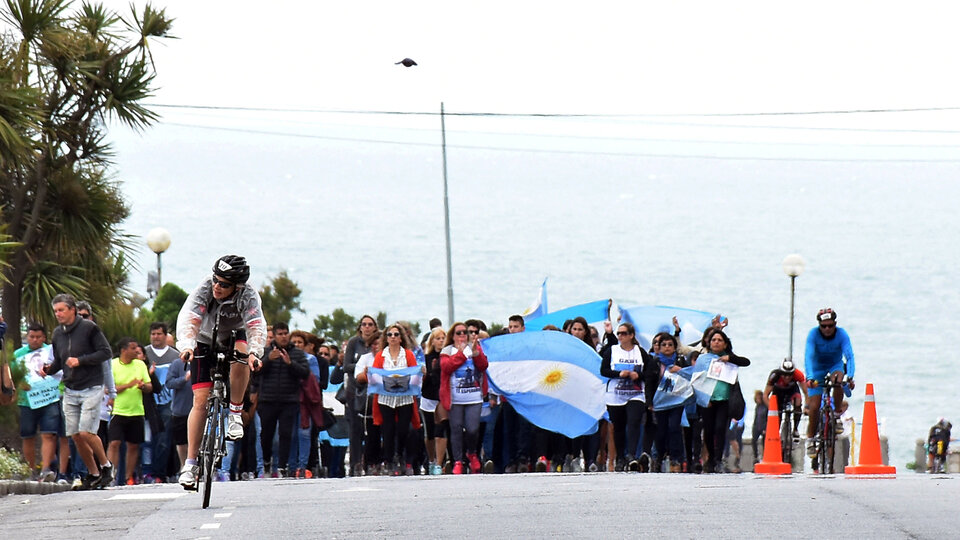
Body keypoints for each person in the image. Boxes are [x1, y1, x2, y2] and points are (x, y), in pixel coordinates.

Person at [175, 255, 266, 489]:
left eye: (224, 284)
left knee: (243, 350)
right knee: (200, 401)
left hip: (235, 336)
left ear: (238, 286)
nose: (217, 286)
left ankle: (235, 412)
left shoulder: (248, 295)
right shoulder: (206, 287)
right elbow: (190, 318)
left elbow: (255, 325)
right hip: (205, 338)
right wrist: (186, 345)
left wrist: (256, 352)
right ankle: (191, 463)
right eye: (216, 280)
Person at [44, 293, 115, 490]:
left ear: (72, 310)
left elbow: (105, 353)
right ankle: (93, 473)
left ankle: (106, 466)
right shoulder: (58, 334)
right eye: (55, 311)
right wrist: (48, 369)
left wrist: (81, 360)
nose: (58, 314)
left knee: (86, 432)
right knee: (75, 435)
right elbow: (59, 360)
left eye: (61, 310)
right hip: (70, 388)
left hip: (92, 385)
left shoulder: (89, 328)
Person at [600, 322, 655, 472]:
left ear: (631, 335)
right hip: (616, 394)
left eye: (624, 333)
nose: (620, 336)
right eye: (619, 334)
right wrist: (619, 374)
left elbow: (651, 371)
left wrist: (639, 375)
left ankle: (631, 455)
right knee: (618, 427)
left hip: (635, 393)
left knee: (634, 421)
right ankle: (620, 458)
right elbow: (603, 370)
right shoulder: (612, 351)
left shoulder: (640, 352)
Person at [367, 324, 421, 475]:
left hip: (405, 397)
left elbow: (415, 375)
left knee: (404, 429)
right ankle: (389, 460)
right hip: (386, 398)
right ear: (386, 337)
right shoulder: (381, 356)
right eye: (390, 334)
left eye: (396, 334)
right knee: (388, 430)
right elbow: (376, 375)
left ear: (401, 337)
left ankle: (400, 455)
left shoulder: (408, 355)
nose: (393, 337)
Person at [256, 322, 309, 477]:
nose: (283, 336)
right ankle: (266, 461)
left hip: (289, 400)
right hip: (267, 400)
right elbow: (255, 372)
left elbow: (305, 374)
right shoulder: (265, 351)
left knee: (286, 434)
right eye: (280, 334)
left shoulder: (297, 353)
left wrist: (290, 364)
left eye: (286, 333)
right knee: (266, 434)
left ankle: (282, 466)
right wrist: (267, 360)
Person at [693, 330, 750, 474]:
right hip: (708, 400)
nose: (716, 342)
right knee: (708, 430)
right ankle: (711, 458)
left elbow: (746, 362)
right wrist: (703, 398)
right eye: (714, 340)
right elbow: (696, 380)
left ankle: (718, 459)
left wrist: (729, 358)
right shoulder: (703, 359)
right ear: (709, 343)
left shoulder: (729, 357)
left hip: (724, 400)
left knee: (720, 428)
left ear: (725, 343)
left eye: (719, 340)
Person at [804, 308, 855, 459]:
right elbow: (808, 356)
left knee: (839, 380)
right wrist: (810, 378)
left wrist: (850, 376)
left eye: (830, 326)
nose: (827, 329)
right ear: (819, 325)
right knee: (814, 405)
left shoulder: (842, 334)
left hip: (834, 365)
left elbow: (849, 356)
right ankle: (811, 439)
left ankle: (837, 413)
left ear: (835, 324)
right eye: (823, 326)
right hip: (816, 368)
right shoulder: (813, 334)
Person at [13, 322, 60, 481]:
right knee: (28, 435)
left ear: (44, 338)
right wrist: (19, 384)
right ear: (27, 337)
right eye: (31, 337)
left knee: (49, 434)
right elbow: (12, 375)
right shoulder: (18, 354)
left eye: (38, 337)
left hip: (49, 398)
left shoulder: (51, 352)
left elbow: (59, 372)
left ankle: (46, 469)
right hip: (26, 401)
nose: (34, 340)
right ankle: (31, 470)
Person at [440, 322, 488, 474]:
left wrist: (476, 354)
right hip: (455, 398)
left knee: (473, 429)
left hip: (474, 397)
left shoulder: (474, 349)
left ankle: (472, 453)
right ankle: (458, 460)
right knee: (456, 429)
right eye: (459, 332)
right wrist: (461, 355)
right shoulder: (447, 351)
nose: (462, 335)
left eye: (465, 332)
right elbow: (447, 367)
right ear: (453, 336)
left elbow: (483, 366)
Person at [108, 337, 152, 485]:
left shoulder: (140, 365)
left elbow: (149, 385)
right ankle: (111, 475)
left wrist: (143, 386)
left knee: (133, 445)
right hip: (118, 411)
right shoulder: (113, 365)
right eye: (133, 348)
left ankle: (128, 477)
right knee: (114, 443)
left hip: (137, 411)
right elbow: (110, 388)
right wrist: (129, 385)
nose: (136, 351)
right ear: (123, 350)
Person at [343, 315, 379, 476]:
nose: (367, 327)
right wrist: (362, 367)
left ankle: (371, 462)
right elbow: (346, 366)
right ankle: (355, 464)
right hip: (355, 392)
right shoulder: (353, 343)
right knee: (355, 431)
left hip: (374, 393)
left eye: (370, 324)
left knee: (372, 429)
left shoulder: (378, 343)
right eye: (364, 324)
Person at [144, 322, 179, 483]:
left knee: (164, 439)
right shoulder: (144, 353)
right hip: (147, 402)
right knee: (146, 439)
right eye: (153, 334)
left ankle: (159, 473)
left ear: (165, 336)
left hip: (168, 402)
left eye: (159, 334)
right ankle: (145, 472)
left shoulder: (175, 355)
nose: (156, 337)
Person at [420, 327, 448, 475]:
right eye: (438, 338)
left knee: (440, 428)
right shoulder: (427, 358)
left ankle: (439, 462)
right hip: (428, 397)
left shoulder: (448, 356)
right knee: (429, 432)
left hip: (442, 397)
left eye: (443, 338)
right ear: (432, 341)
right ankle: (431, 459)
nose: (441, 341)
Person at [763, 358, 808, 441]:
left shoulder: (798, 374)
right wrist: (772, 409)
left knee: (797, 402)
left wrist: (807, 407)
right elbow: (765, 395)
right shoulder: (774, 375)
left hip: (792, 390)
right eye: (784, 374)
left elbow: (806, 392)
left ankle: (795, 429)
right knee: (777, 416)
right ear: (780, 372)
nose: (787, 377)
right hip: (778, 392)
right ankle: (776, 434)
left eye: (790, 375)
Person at [164, 352, 194, 477]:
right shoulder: (177, 364)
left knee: (198, 439)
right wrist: (184, 379)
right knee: (181, 441)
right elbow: (169, 383)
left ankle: (197, 466)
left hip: (198, 408)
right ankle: (183, 465)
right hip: (180, 409)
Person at [750, 390, 767, 466]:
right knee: (754, 441)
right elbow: (756, 417)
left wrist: (766, 428)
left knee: (764, 442)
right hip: (757, 426)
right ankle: (755, 456)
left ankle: (765, 456)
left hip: (763, 426)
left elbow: (767, 418)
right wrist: (753, 426)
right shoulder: (757, 407)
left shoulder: (766, 406)